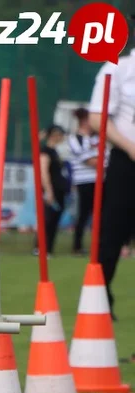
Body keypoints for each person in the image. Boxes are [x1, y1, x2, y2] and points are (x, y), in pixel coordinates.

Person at [88, 22, 135, 325]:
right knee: (112, 233)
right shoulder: (117, 68)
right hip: (127, 160)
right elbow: (96, 117)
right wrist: (130, 147)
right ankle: (99, 300)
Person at [35, 125, 71, 257]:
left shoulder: (57, 152)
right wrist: (49, 191)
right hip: (52, 190)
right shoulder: (46, 151)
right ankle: (40, 248)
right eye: (59, 134)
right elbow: (43, 172)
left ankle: (48, 248)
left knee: (55, 220)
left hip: (59, 190)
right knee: (47, 220)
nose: (61, 137)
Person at [68, 108, 99, 256]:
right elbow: (89, 160)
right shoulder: (75, 138)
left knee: (101, 214)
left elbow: (105, 157)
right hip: (84, 181)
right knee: (84, 214)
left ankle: (99, 246)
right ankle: (77, 246)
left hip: (100, 180)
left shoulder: (97, 138)